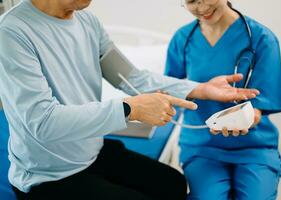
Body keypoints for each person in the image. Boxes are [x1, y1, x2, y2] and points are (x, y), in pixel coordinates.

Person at [0, 0, 259, 200]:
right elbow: (42, 122)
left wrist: (201, 89)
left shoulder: (88, 22)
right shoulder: (12, 32)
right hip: (47, 175)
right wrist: (130, 108)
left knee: (174, 185)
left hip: (91, 154)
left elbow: (131, 78)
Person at [165, 0, 281, 199]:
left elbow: (259, 107)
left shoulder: (262, 39)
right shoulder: (182, 39)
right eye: (191, 1)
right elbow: (170, 90)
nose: (202, 8)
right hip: (201, 145)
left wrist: (247, 118)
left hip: (254, 146)